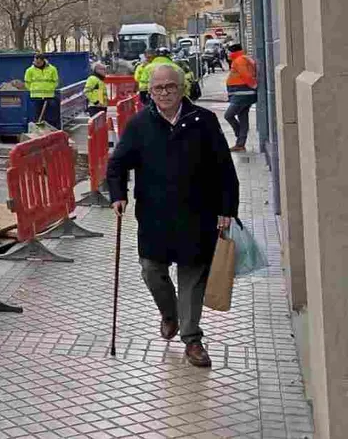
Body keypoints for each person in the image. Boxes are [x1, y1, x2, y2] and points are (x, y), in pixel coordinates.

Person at [106, 64, 239, 368]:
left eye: (170, 87)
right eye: (158, 88)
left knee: (193, 277)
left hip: (198, 214)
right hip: (155, 215)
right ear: (149, 92)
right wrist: (118, 195)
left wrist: (227, 209)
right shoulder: (140, 124)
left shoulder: (203, 121)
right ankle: (169, 313)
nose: (164, 93)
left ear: (182, 89)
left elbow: (224, 169)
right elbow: (117, 165)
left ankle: (192, 339)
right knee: (152, 270)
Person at [224, 42, 258, 152]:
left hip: (242, 94)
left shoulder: (239, 61)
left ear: (233, 52)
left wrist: (253, 85)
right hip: (243, 94)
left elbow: (246, 75)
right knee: (243, 118)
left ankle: (240, 136)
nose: (227, 54)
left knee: (228, 115)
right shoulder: (243, 59)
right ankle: (240, 144)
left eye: (229, 52)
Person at [24, 52, 59, 126]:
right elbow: (27, 83)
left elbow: (56, 81)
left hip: (49, 96)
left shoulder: (52, 69)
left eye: (39, 62)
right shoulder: (29, 70)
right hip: (35, 97)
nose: (37, 63)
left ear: (43, 61)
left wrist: (50, 89)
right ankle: (39, 130)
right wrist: (32, 89)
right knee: (37, 116)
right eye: (35, 62)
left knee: (50, 116)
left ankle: (50, 128)